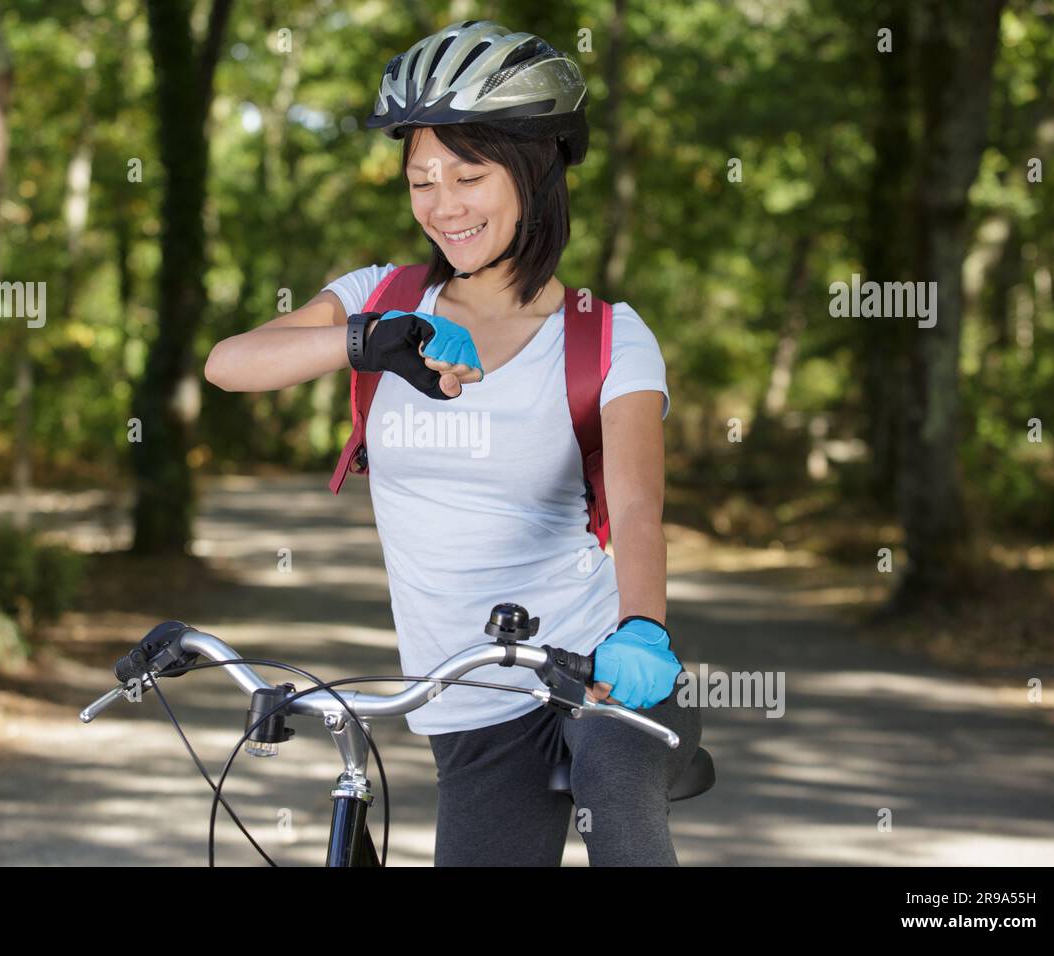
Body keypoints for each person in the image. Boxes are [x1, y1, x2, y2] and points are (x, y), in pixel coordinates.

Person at [204, 19, 702, 866]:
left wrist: (643, 628)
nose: (443, 204)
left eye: (468, 174)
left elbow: (638, 507)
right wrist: (368, 341)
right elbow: (228, 364)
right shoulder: (382, 296)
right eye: (420, 179)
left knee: (623, 823)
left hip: (598, 667)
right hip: (463, 695)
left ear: (535, 172)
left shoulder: (608, 336)